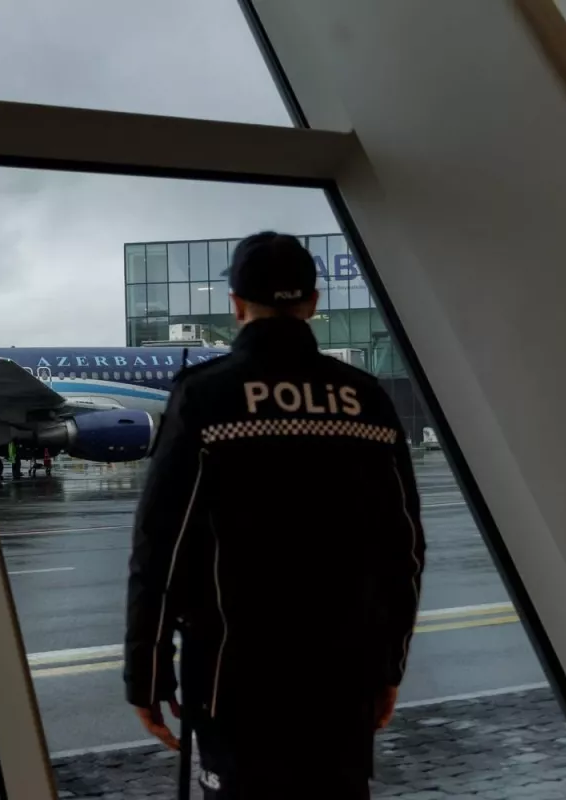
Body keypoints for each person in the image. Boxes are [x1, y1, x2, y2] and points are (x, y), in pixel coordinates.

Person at [123, 231, 426, 799]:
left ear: (236, 304)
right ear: (312, 304)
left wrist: (148, 672)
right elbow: (403, 550)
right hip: (343, 681)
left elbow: (161, 546)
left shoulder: (205, 397)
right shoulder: (367, 400)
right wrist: (388, 666)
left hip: (235, 682)